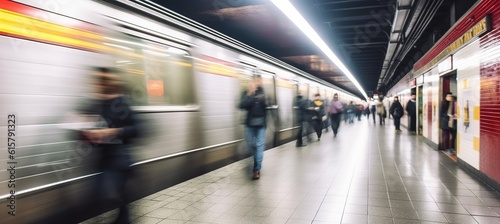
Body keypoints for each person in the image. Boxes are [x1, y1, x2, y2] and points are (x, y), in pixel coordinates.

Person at [79, 67, 138, 224]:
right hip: (100, 159)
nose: (101, 83)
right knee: (99, 196)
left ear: (113, 82)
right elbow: (81, 131)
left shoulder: (122, 104)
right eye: (99, 79)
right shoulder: (93, 104)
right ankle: (122, 218)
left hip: (120, 159)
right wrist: (82, 129)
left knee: (118, 195)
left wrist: (112, 132)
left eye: (105, 79)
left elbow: (138, 129)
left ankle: (123, 219)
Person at [239, 75, 267, 180]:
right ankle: (256, 161)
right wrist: (250, 94)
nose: (257, 82)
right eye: (255, 80)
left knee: (259, 145)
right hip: (249, 124)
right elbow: (241, 105)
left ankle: (256, 169)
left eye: (259, 80)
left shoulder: (263, 92)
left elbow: (267, 104)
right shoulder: (246, 92)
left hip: (261, 124)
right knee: (251, 145)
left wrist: (261, 98)